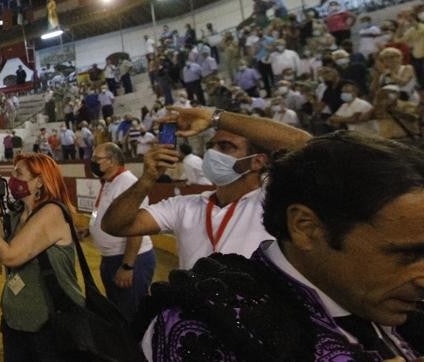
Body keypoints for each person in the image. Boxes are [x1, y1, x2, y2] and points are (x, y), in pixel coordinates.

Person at [141, 132, 424, 360]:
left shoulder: (393, 300)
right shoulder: (209, 324)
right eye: (407, 254)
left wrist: (216, 115)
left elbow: (312, 151)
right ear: (305, 227)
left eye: (227, 146)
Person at [102, 106, 310, 269]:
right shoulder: (184, 206)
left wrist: (214, 117)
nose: (212, 154)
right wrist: (148, 178)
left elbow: (306, 145)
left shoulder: (272, 201)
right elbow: (115, 225)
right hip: (197, 320)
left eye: (226, 146)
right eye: (210, 147)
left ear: (257, 161)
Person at [0, 153, 84, 361]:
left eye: (19, 174)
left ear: (39, 181)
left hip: (49, 325)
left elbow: (10, 256)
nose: (13, 179)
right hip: (16, 322)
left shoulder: (52, 212)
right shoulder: (18, 213)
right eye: (12, 173)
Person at [88, 143, 156, 324]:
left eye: (97, 159)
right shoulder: (109, 181)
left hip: (130, 259)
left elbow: (136, 229)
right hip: (111, 258)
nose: (92, 162)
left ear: (112, 161)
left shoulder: (128, 183)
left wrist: (127, 266)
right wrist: (89, 228)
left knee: (131, 316)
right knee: (118, 313)